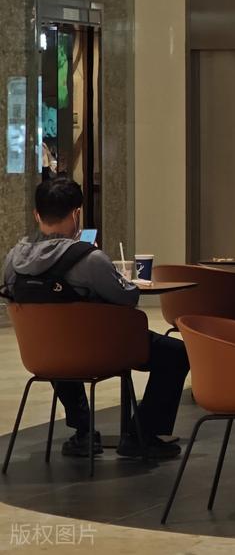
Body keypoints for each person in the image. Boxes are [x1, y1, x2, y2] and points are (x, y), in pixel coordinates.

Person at [1, 178, 188, 459]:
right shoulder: (88, 259)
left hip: (43, 354)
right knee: (177, 353)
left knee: (60, 339)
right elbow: (128, 298)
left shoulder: (13, 260)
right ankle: (141, 435)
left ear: (37, 215)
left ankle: (84, 432)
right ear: (76, 214)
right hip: (100, 352)